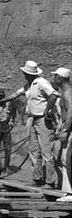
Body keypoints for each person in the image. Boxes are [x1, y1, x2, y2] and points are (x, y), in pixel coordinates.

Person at [0, 60, 59, 188]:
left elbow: (53, 95)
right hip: (34, 119)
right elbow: (16, 94)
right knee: (34, 151)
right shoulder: (28, 85)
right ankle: (37, 179)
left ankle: (50, 182)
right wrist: (3, 100)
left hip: (43, 120)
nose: (24, 75)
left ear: (30, 74)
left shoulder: (41, 83)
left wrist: (47, 111)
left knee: (46, 151)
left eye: (25, 73)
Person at [51, 67, 72, 201]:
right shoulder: (65, 92)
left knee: (68, 159)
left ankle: (70, 193)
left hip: (70, 130)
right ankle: (67, 191)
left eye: (55, 76)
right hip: (67, 127)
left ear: (60, 78)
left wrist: (65, 131)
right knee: (64, 159)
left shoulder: (68, 93)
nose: (54, 79)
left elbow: (70, 112)